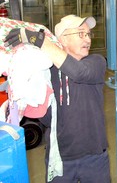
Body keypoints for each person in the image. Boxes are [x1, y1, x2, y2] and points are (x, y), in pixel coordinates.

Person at [4, 14, 111, 183]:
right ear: (63, 39)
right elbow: (41, 112)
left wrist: (39, 40)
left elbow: (79, 73)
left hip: (95, 156)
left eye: (88, 34)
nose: (88, 39)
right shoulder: (45, 70)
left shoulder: (96, 62)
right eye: (81, 34)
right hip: (59, 157)